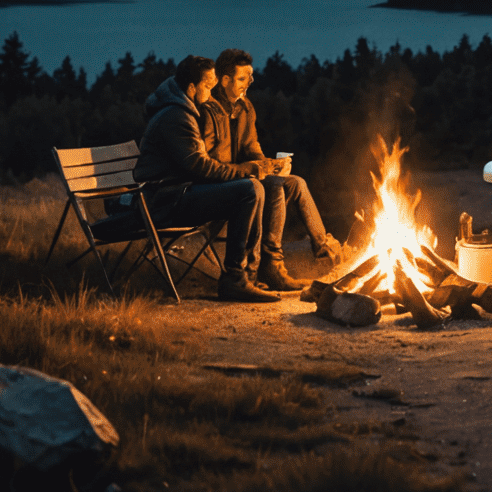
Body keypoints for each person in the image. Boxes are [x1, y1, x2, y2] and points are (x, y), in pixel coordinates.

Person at [134, 54, 279, 303]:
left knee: (253, 187)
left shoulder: (183, 111)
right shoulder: (176, 117)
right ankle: (235, 279)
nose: (212, 91)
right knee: (248, 189)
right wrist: (245, 170)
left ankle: (246, 275)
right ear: (192, 88)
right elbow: (198, 165)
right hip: (164, 201)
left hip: (176, 193)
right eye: (207, 85)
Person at [205, 48, 343, 292]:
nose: (250, 81)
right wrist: (254, 169)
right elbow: (210, 163)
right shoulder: (209, 111)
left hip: (245, 176)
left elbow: (252, 149)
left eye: (251, 76)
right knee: (275, 185)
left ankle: (323, 248)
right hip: (222, 185)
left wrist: (270, 165)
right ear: (224, 80)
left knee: (294, 181)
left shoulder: (245, 108)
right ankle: (271, 267)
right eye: (242, 77)